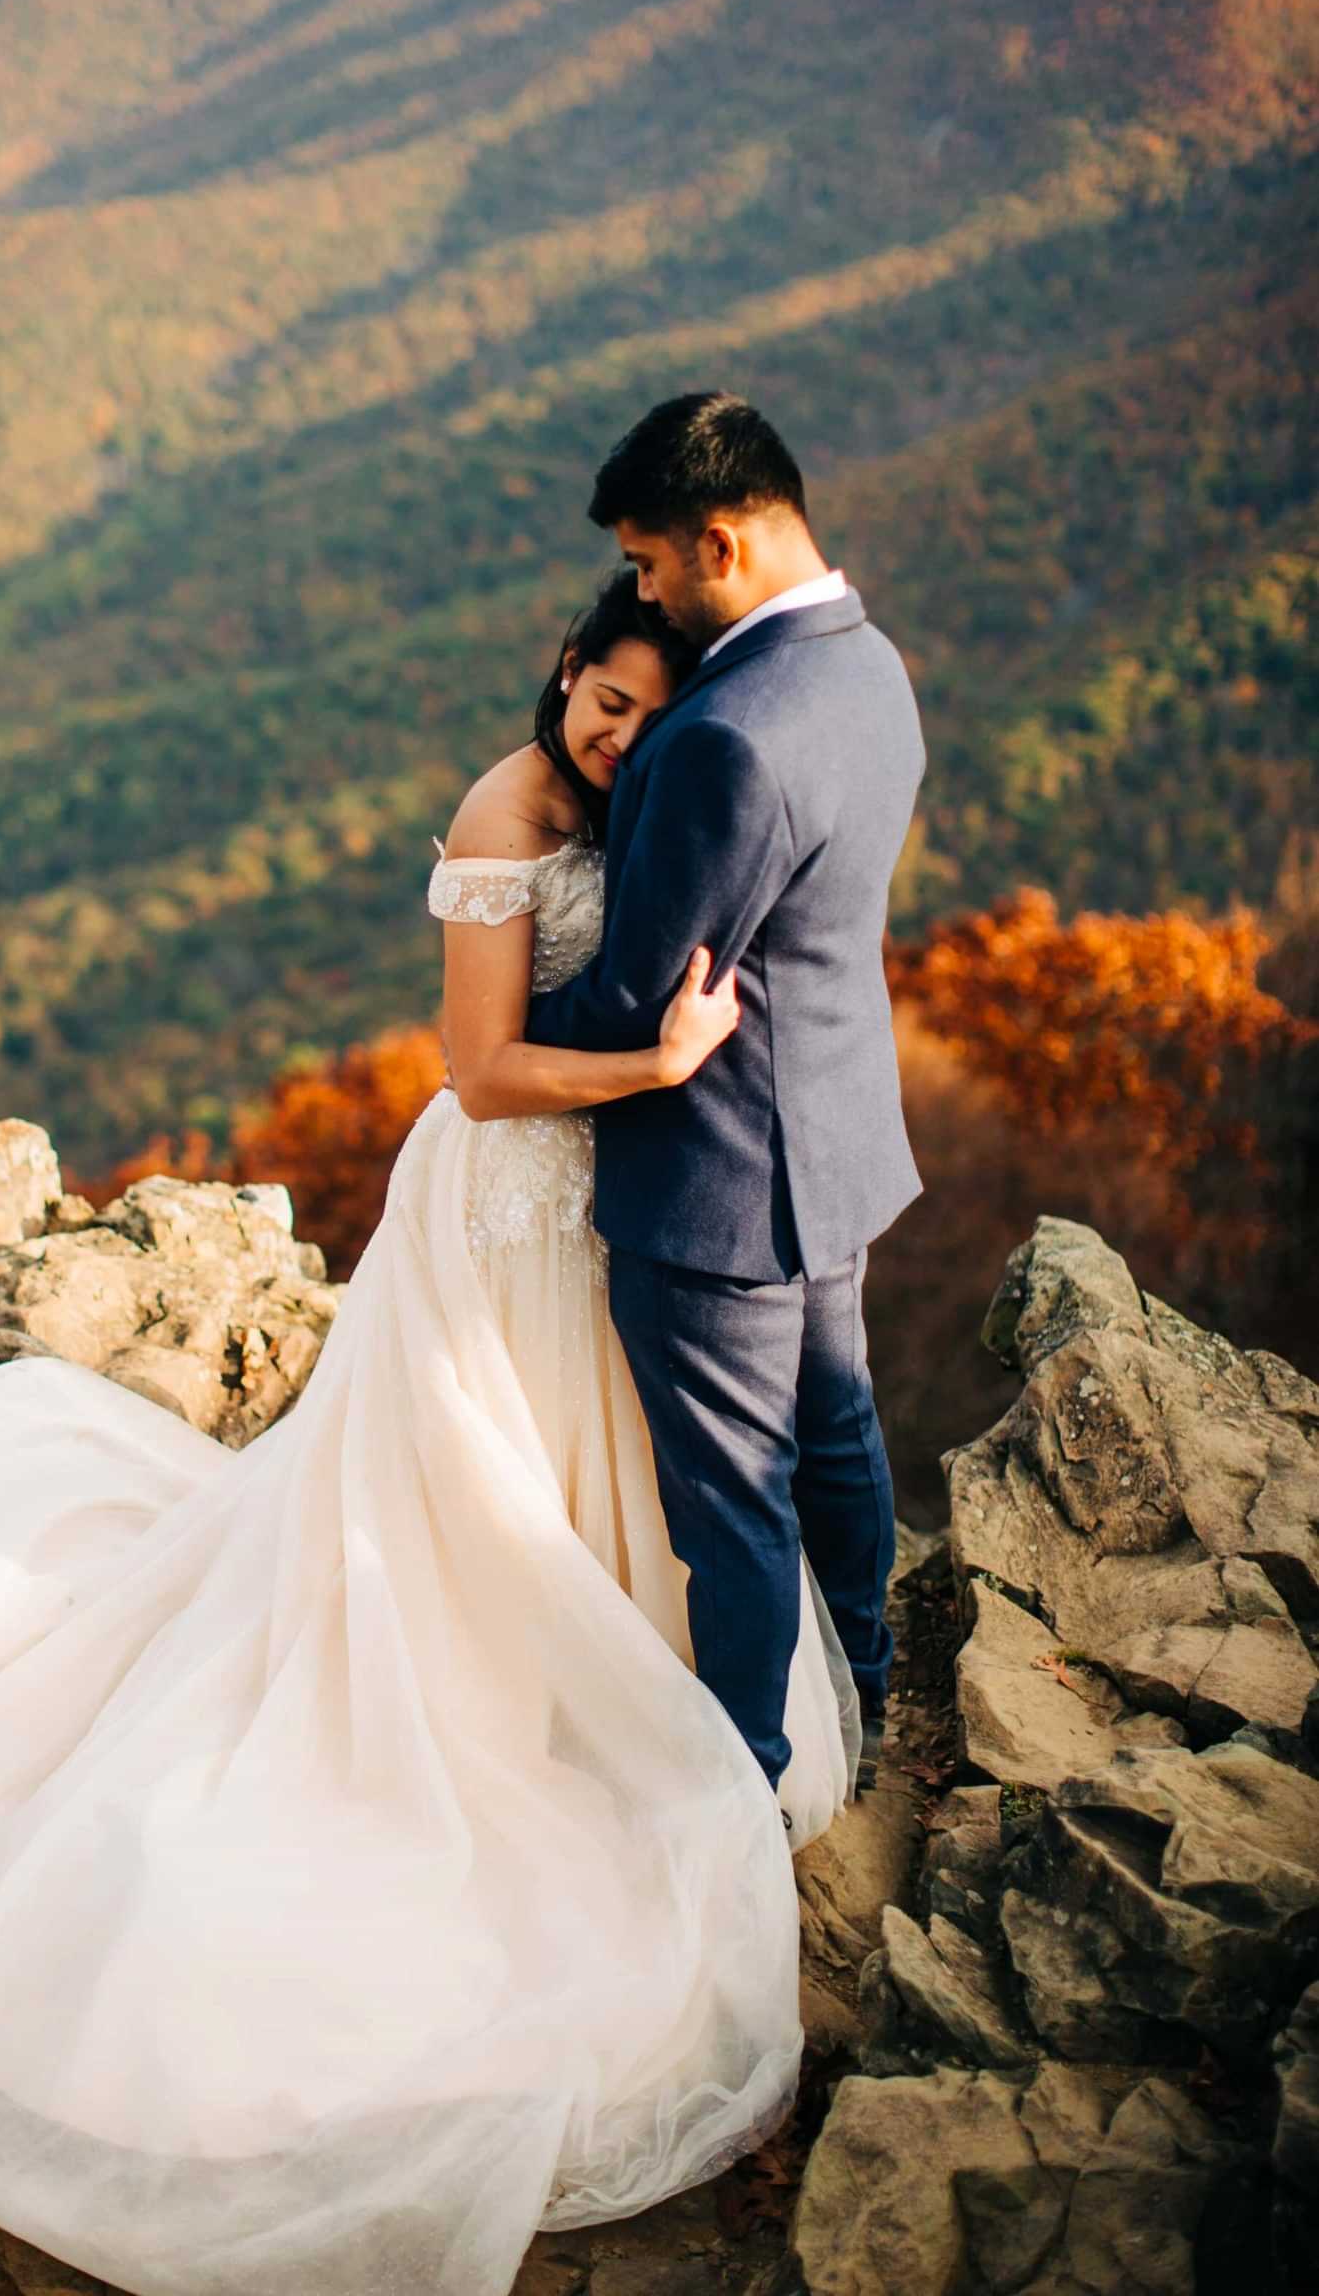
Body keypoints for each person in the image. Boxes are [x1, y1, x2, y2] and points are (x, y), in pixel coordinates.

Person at [0, 564, 861, 2296]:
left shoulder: (665, 791)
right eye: (596, 697)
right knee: (458, 1501)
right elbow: (478, 1071)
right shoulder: (505, 806)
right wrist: (656, 1065)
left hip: (594, 1224)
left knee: (575, 1483)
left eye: (647, 707)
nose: (615, 733)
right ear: (558, 674)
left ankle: (579, 1698)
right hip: (498, 1208)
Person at [521, 392, 927, 1800]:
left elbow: (637, 996)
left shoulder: (723, 736)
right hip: (834, 1139)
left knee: (731, 1503)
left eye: (648, 563)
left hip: (714, 1184)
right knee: (837, 1430)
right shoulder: (867, 666)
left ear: (718, 542)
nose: (639, 592)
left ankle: (750, 1784)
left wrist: (493, 1027)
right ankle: (862, 1687)